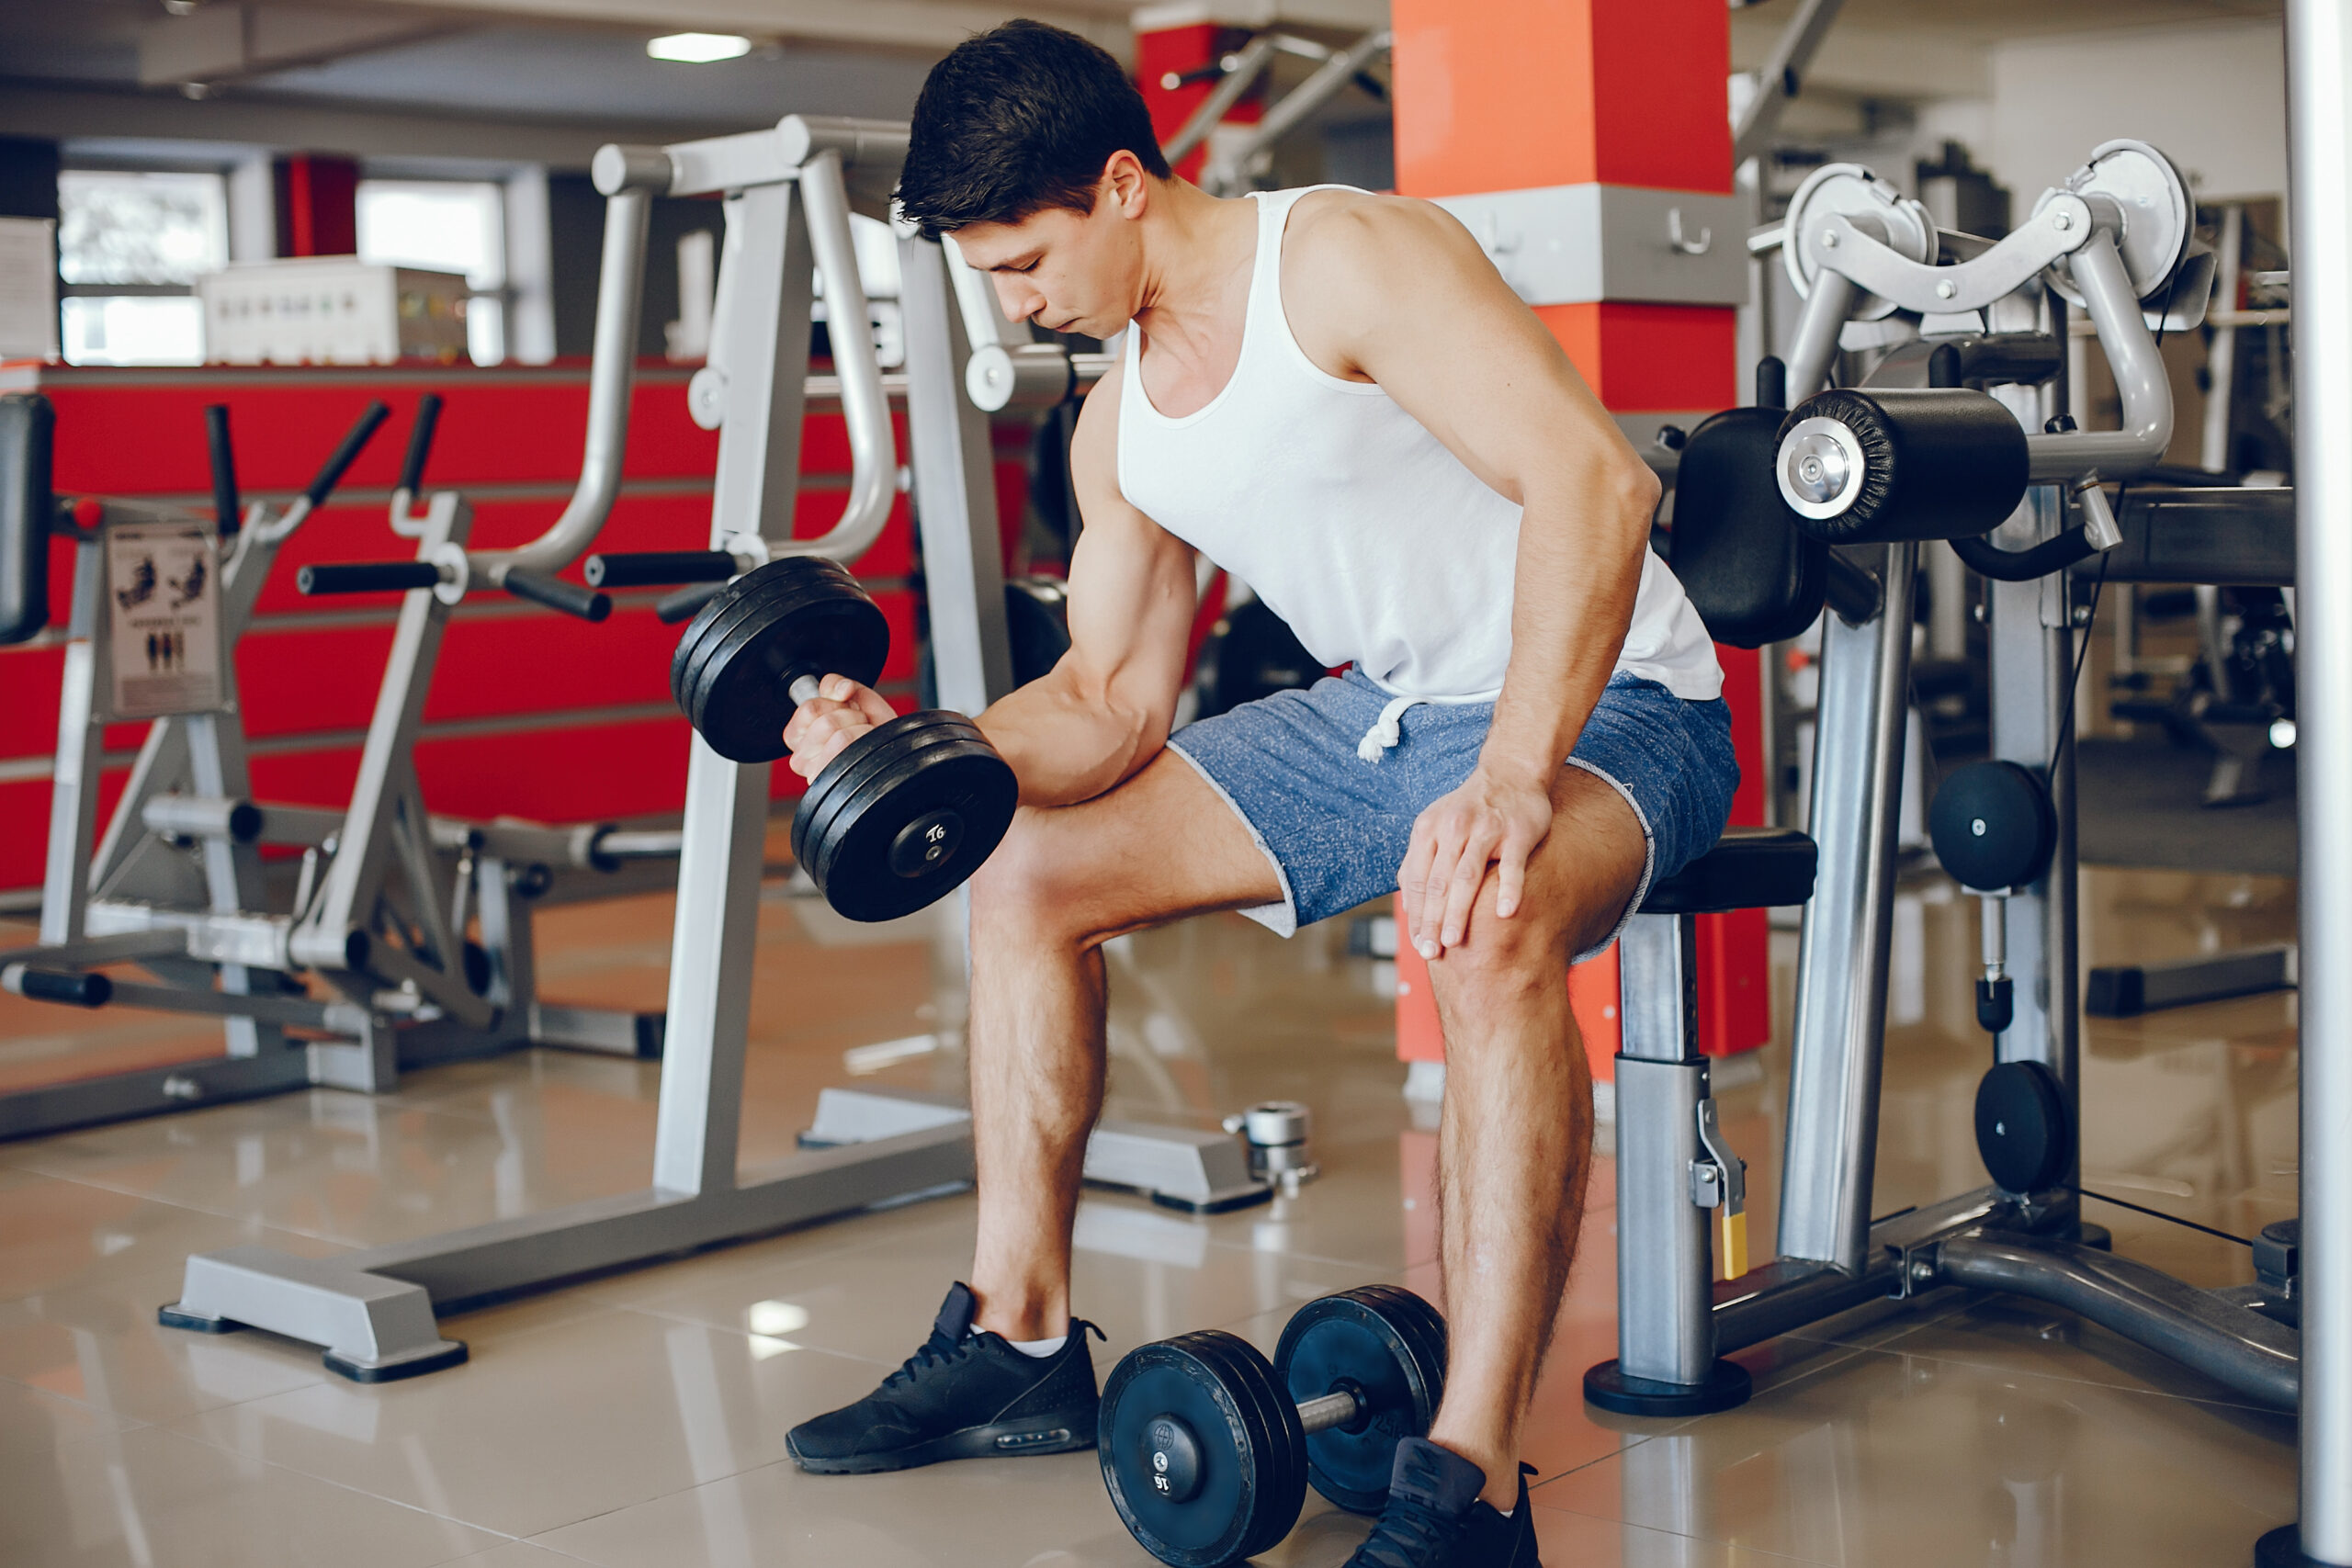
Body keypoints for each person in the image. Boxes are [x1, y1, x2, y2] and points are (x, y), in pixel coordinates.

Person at [781, 20, 1735, 1567]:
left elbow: (1596, 482)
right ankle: (1018, 1337)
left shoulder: (1344, 261)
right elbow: (1110, 701)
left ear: (1120, 185)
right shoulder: (1119, 423)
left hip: (1620, 703)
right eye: (991, 278)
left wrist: (1511, 773)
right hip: (1384, 716)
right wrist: (921, 751)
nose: (1018, 308)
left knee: (1486, 926)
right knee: (1023, 875)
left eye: (1026, 264)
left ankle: (1470, 1489)